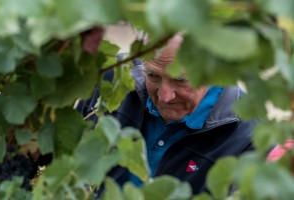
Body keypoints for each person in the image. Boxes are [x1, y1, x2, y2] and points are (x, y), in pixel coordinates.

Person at [77, 34, 257, 195]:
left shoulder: (247, 138)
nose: (164, 97)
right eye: (153, 76)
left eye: (180, 80)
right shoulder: (113, 80)